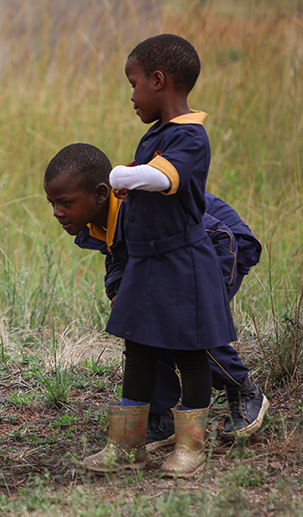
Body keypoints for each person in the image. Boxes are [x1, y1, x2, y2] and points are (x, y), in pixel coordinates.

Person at [43, 143, 269, 453]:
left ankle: (243, 392)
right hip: (174, 257)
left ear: (100, 193)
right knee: (144, 325)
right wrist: (120, 294)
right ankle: (159, 416)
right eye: (52, 203)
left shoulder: (140, 208)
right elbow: (119, 257)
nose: (57, 212)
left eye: (65, 203)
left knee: (189, 328)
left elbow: (210, 234)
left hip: (218, 244)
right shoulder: (97, 223)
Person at [79, 34, 236, 478]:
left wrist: (120, 175)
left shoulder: (191, 135)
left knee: (190, 354)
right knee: (139, 349)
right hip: (147, 264)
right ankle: (127, 445)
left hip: (182, 263)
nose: (131, 96)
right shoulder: (157, 135)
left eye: (134, 84)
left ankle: (191, 447)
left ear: (158, 80)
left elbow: (164, 178)